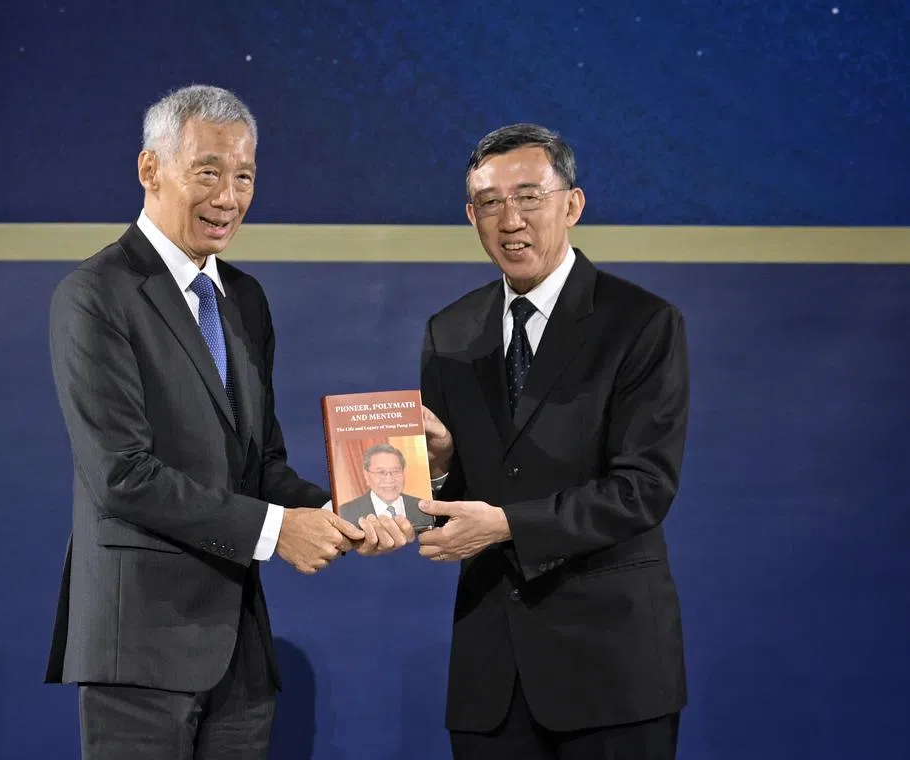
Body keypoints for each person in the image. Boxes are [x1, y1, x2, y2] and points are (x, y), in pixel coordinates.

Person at [44, 84, 412, 760]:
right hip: (140, 649)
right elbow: (122, 476)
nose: (228, 197)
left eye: (244, 177)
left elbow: (261, 464)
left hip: (239, 658)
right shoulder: (95, 295)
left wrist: (349, 512)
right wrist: (278, 532)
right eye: (208, 171)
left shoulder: (244, 298)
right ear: (150, 169)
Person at [416, 123, 690, 760]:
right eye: (490, 203)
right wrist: (440, 466)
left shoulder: (641, 324)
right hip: (493, 676)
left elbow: (643, 489)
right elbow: (455, 501)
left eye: (528, 197)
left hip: (612, 672)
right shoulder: (448, 332)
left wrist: (507, 525)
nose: (510, 220)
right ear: (471, 217)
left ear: (572, 204)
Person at [337, 443, 433, 530]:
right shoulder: (345, 513)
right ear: (366, 476)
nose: (389, 479)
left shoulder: (423, 508)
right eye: (381, 472)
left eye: (395, 471)